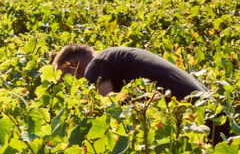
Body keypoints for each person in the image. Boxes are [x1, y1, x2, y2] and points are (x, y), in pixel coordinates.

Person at [53, 44, 208, 99]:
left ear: (72, 65)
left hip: (198, 121)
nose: (71, 88)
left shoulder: (97, 64)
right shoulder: (115, 57)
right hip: (209, 111)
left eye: (66, 80)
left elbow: (107, 110)